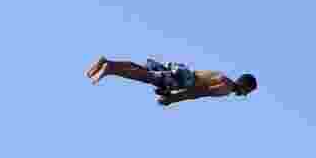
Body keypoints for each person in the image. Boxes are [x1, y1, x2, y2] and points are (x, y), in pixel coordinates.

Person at [85, 56, 257, 106]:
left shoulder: (222, 76)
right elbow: (198, 92)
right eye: (246, 92)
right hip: (181, 79)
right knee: (146, 77)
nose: (243, 94)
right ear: (244, 86)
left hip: (181, 72)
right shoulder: (225, 88)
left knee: (143, 70)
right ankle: (110, 69)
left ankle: (107, 62)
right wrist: (172, 99)